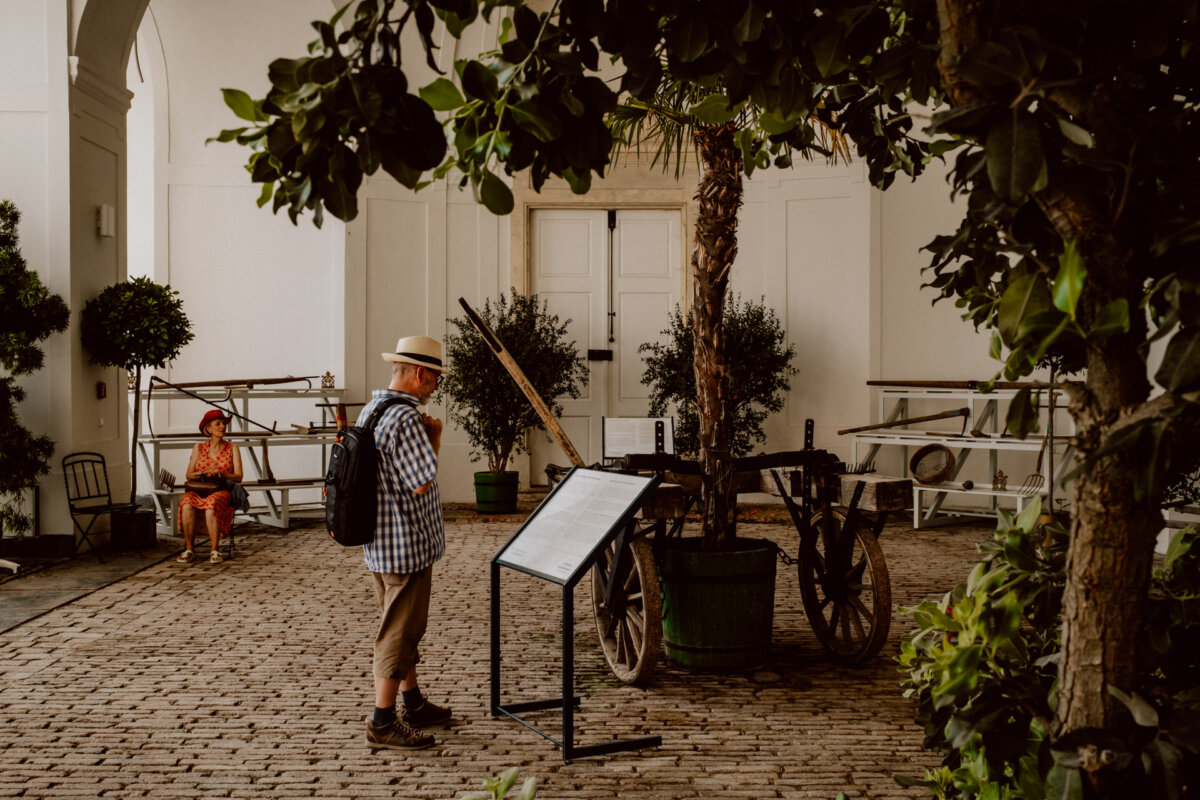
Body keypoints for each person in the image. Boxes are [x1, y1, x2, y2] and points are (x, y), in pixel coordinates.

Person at [363, 335, 453, 751]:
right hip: (407, 544)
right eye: (434, 378)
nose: (435, 386)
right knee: (399, 632)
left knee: (400, 626)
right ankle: (383, 722)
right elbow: (420, 482)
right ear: (419, 374)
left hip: (379, 540)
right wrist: (433, 440)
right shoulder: (407, 419)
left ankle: (412, 702)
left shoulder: (371, 410)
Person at [176, 409, 243, 565]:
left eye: (224, 423)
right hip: (200, 488)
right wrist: (204, 473)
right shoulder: (198, 447)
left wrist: (221, 473)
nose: (222, 427)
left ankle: (214, 550)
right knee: (186, 502)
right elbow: (189, 474)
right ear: (208, 428)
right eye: (218, 424)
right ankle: (189, 549)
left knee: (211, 504)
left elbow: (239, 476)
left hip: (221, 490)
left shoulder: (232, 448)